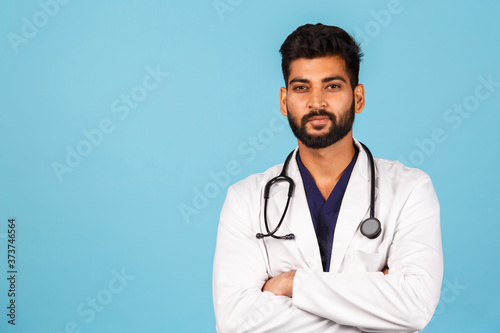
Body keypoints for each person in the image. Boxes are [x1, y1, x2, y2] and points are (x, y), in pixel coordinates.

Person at [212, 23, 443, 332]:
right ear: (284, 101)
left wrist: (292, 284)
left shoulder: (409, 189)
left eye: (332, 86)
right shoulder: (245, 198)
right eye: (301, 87)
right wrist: (372, 305)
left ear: (358, 97)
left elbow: (413, 307)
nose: (316, 102)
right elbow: (236, 323)